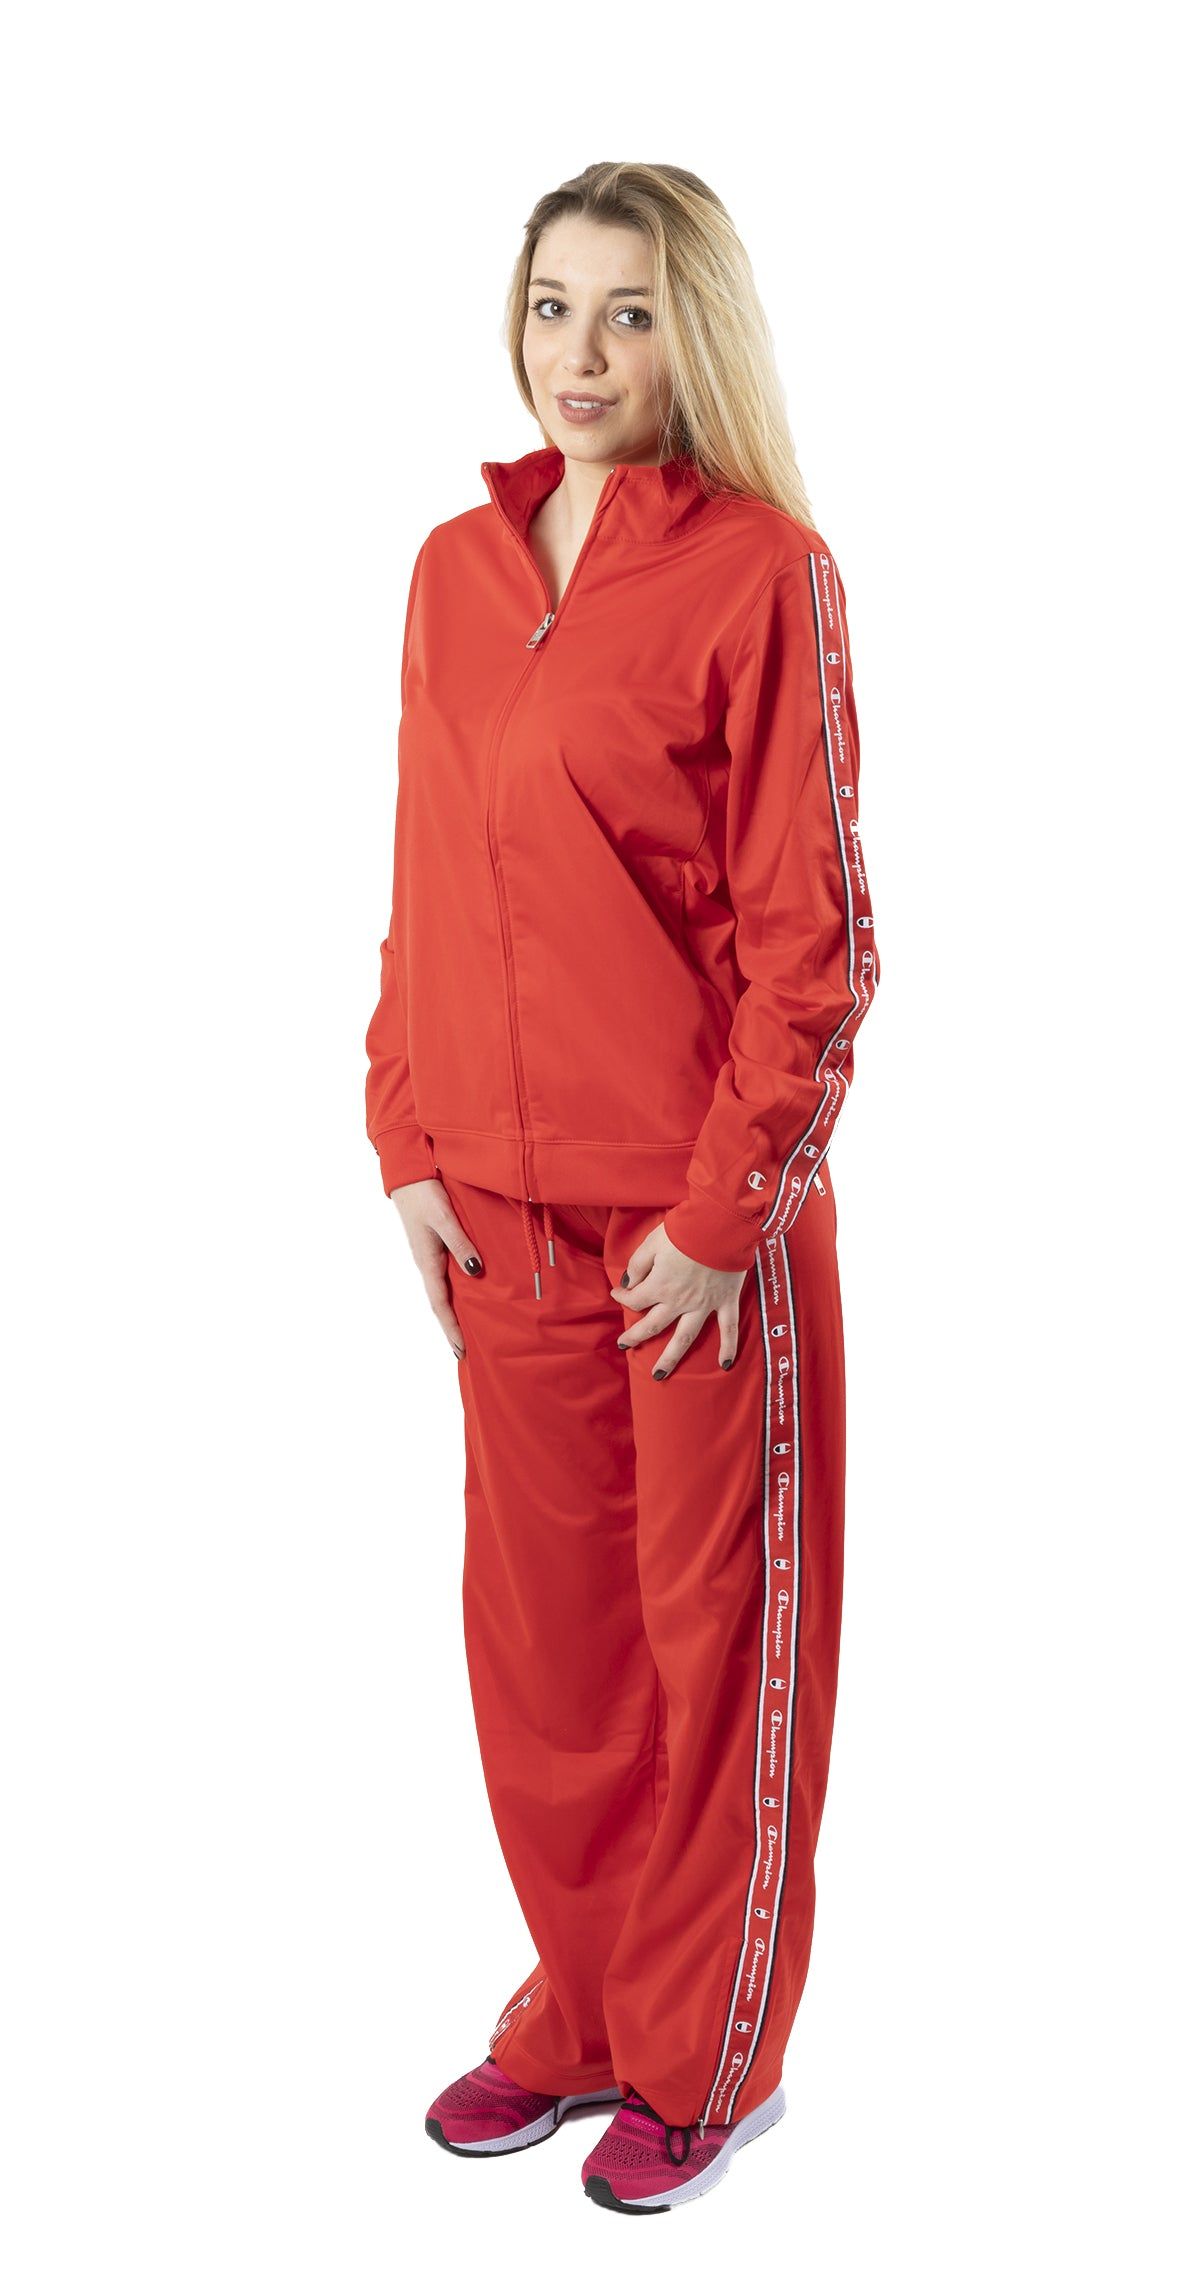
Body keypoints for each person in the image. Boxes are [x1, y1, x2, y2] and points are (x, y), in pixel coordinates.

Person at [363, 160, 881, 2216]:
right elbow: (424, 867)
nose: (580, 354)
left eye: (631, 312)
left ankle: (706, 2055)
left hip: (691, 1241)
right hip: (499, 1222)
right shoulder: (453, 572)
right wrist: (405, 1132)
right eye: (553, 306)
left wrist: (725, 1214)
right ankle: (580, 2017)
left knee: (713, 1656)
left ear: (698, 334)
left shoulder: (765, 575)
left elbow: (819, 945)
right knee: (551, 1662)